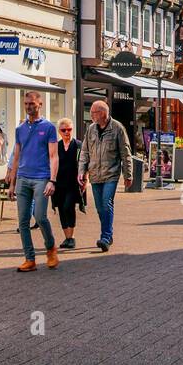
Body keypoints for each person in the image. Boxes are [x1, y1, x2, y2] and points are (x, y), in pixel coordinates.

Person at [6, 90, 60, 271]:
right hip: (22, 178)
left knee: (40, 216)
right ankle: (30, 259)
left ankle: (50, 248)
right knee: (22, 221)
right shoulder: (20, 129)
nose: (29, 107)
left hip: (41, 178)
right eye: (26, 104)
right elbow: (16, 156)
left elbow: (54, 156)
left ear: (40, 104)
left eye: (32, 104)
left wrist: (52, 180)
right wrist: (12, 183)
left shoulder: (49, 127)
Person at [79, 100, 133, 252]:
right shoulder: (91, 129)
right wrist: (82, 171)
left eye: (94, 112)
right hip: (95, 174)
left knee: (106, 202)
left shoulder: (117, 128)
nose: (91, 115)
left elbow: (125, 153)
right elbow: (84, 152)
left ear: (103, 113)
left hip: (111, 174)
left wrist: (128, 175)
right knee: (99, 207)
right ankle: (108, 235)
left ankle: (105, 236)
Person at [51, 118, 83, 249]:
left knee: (68, 206)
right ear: (59, 131)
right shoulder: (56, 146)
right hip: (59, 183)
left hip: (73, 184)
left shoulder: (78, 145)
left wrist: (85, 178)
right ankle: (67, 238)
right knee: (61, 208)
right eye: (63, 130)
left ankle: (72, 237)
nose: (66, 132)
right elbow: (51, 162)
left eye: (69, 129)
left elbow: (84, 162)